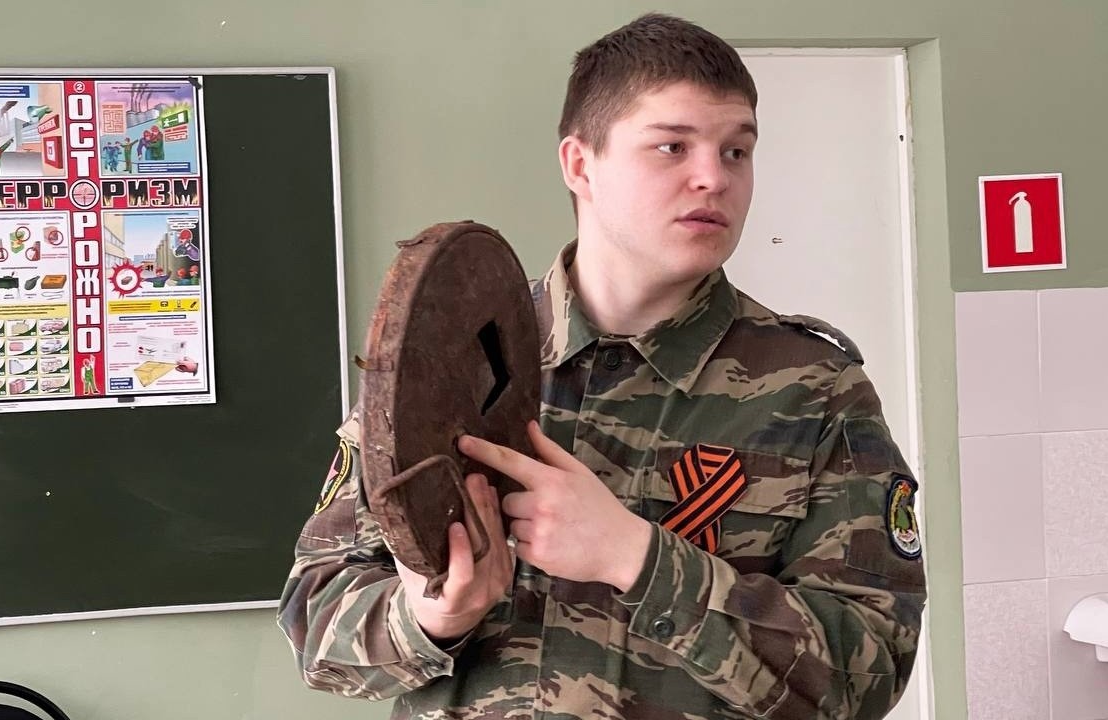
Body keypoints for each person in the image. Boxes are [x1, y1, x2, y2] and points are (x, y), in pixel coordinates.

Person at [278, 13, 926, 720]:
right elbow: (316, 622)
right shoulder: (443, 357)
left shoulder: (816, 390)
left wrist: (639, 559)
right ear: (580, 165)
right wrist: (430, 617)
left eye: (736, 151)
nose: (713, 178)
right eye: (672, 146)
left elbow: (868, 673)